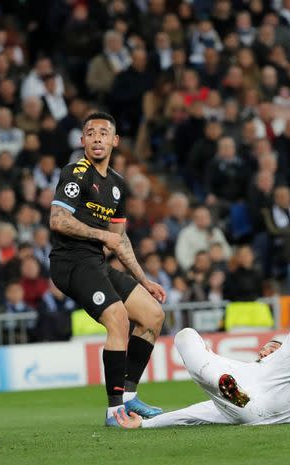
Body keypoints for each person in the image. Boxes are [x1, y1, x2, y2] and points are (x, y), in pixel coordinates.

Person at [49, 112, 167, 426]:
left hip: (96, 262)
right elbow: (57, 220)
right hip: (70, 262)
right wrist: (101, 235)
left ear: (114, 141)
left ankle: (129, 397)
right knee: (117, 318)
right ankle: (114, 411)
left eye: (104, 133)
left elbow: (120, 240)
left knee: (152, 315)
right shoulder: (76, 172)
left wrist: (144, 280)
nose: (97, 138)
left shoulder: (117, 185)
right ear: (82, 141)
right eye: (91, 133)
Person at [115, 306, 290, 429]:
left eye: (279, 345)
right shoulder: (241, 370)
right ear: (261, 351)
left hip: (262, 403)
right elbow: (186, 416)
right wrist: (147, 425)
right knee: (185, 336)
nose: (273, 348)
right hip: (240, 399)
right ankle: (224, 386)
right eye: (271, 346)